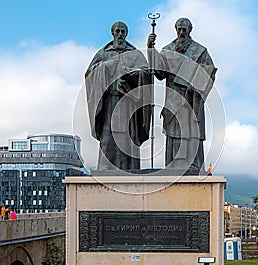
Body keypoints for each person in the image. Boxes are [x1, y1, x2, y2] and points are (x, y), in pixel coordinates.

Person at [147, 18, 217, 172]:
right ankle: (173, 164)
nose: (181, 32)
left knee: (191, 131)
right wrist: (151, 50)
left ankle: (193, 165)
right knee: (174, 131)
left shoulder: (200, 51)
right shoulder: (168, 50)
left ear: (190, 30)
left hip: (191, 100)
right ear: (175, 29)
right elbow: (159, 73)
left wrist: (194, 81)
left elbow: (209, 73)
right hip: (173, 99)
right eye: (179, 29)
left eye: (184, 29)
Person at [85, 21, 151, 171]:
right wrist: (105, 67)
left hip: (128, 102)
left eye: (123, 32)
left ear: (126, 34)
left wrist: (133, 74)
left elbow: (146, 73)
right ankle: (106, 168)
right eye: (118, 32)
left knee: (128, 136)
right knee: (108, 137)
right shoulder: (103, 53)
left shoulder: (134, 53)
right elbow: (89, 73)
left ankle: (130, 168)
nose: (120, 35)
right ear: (113, 33)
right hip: (110, 102)